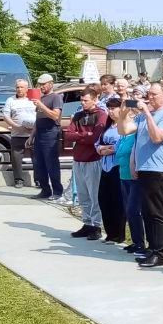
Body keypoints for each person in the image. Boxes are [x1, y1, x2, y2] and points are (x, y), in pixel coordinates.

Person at [132, 83, 163, 267]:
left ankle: (160, 253)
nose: (150, 98)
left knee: (157, 213)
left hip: (157, 170)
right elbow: (124, 130)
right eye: (148, 94)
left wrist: (148, 114)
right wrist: (123, 109)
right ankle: (151, 249)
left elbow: (157, 137)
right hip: (144, 169)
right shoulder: (146, 114)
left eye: (154, 94)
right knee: (147, 212)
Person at [63, 85, 109, 240]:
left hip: (93, 159)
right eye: (81, 100)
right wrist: (84, 135)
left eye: (86, 100)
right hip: (78, 159)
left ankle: (96, 225)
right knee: (83, 195)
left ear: (95, 100)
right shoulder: (78, 115)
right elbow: (68, 135)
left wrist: (80, 135)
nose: (83, 103)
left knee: (94, 194)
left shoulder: (101, 115)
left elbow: (95, 137)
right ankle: (87, 222)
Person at [94, 98, 128, 244]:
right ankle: (109, 232)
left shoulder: (123, 126)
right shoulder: (107, 126)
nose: (111, 111)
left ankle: (118, 234)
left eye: (114, 108)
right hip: (105, 166)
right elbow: (98, 142)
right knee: (104, 199)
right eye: (109, 108)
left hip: (117, 166)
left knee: (117, 201)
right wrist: (100, 149)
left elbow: (121, 144)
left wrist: (108, 149)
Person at [115, 104, 145, 256]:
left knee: (134, 210)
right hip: (123, 174)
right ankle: (136, 241)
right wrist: (123, 112)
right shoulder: (125, 135)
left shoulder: (136, 132)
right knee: (129, 210)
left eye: (129, 113)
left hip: (134, 176)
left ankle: (140, 242)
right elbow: (121, 129)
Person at [31, 73, 65, 201]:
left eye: (43, 84)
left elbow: (55, 116)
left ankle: (57, 191)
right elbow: (38, 118)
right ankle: (45, 190)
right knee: (39, 164)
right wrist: (32, 135)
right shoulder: (42, 98)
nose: (41, 87)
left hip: (50, 132)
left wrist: (41, 106)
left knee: (51, 163)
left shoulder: (55, 97)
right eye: (40, 84)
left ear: (51, 84)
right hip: (40, 132)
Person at [1, 78, 35, 188]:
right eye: (17, 87)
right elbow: (6, 116)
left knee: (37, 159)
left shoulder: (33, 98)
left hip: (33, 134)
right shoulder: (10, 100)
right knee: (16, 159)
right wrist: (17, 127)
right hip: (17, 134)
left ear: (26, 88)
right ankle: (18, 180)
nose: (19, 89)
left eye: (21, 87)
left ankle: (39, 180)